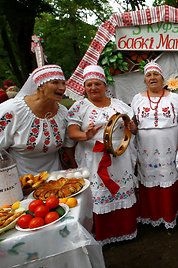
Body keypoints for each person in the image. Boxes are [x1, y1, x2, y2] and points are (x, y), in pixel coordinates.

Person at [67, 64, 139, 245]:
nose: (93, 88)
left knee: (122, 189)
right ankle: (103, 233)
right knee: (98, 192)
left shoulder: (118, 104)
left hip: (120, 156)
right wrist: (86, 135)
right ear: (84, 87)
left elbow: (132, 127)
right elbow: (72, 132)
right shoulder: (80, 106)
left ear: (105, 86)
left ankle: (126, 229)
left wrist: (132, 127)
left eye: (97, 84)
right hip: (93, 156)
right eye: (89, 84)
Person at [0, 65, 73, 176]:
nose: (62, 88)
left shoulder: (62, 112)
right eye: (55, 83)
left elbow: (68, 143)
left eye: (63, 83)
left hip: (56, 176)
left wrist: (76, 167)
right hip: (21, 178)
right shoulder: (13, 110)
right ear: (41, 85)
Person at [131, 61, 178, 228]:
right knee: (149, 177)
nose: (152, 77)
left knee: (168, 176)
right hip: (146, 149)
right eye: (149, 75)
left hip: (168, 148)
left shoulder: (174, 98)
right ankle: (153, 215)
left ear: (163, 79)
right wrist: (132, 127)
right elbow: (133, 126)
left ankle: (171, 214)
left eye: (156, 74)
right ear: (145, 80)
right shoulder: (137, 99)